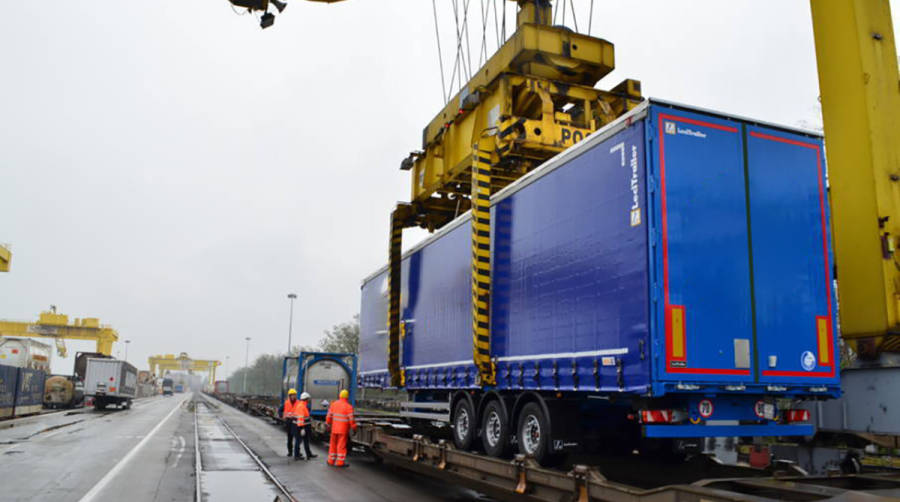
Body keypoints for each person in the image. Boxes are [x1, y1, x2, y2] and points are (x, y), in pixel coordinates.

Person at [325, 389, 357, 467]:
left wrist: (328, 424)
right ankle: (340, 462)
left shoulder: (334, 404)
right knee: (341, 446)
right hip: (343, 430)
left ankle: (331, 461)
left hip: (334, 429)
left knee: (332, 445)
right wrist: (354, 428)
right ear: (347, 397)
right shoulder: (348, 407)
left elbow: (329, 416)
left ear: (340, 396)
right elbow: (351, 420)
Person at [281, 388, 304, 460]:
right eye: (292, 395)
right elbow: (280, 410)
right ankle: (290, 451)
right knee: (289, 438)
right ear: (289, 396)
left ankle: (297, 452)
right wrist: (282, 416)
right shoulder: (286, 403)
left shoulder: (298, 403)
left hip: (295, 422)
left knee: (298, 438)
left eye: (294, 395)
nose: (293, 396)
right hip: (288, 422)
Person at [296, 392, 317, 460]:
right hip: (304, 427)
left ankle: (309, 454)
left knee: (306, 441)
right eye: (308, 399)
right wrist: (302, 428)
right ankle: (298, 455)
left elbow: (305, 417)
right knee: (301, 441)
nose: (309, 400)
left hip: (306, 427)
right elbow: (301, 418)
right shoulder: (301, 406)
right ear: (306, 399)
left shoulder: (303, 405)